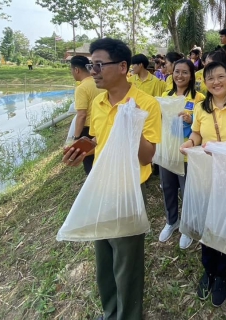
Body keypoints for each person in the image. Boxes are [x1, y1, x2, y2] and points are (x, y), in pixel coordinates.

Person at [62, 38, 161, 320]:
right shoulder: (98, 101)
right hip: (101, 187)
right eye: (90, 64)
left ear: (122, 67)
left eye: (98, 64)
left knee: (126, 264)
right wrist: (83, 149)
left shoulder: (146, 105)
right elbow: (100, 140)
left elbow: (146, 157)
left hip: (128, 191)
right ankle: (110, 312)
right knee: (104, 259)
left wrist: (132, 126)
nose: (92, 70)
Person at [180, 61, 226, 307]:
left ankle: (222, 273)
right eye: (210, 79)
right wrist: (190, 143)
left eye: (221, 76)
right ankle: (208, 270)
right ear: (204, 83)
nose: (216, 82)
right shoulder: (200, 108)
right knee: (209, 223)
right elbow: (196, 135)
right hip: (207, 174)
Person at [158, 59, 205, 249]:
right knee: (167, 187)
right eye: (177, 71)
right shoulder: (165, 95)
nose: (180, 76)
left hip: (186, 152)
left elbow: (202, 124)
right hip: (167, 151)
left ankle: (188, 227)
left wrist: (190, 118)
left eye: (185, 72)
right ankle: (172, 221)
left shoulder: (199, 98)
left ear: (191, 75)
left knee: (187, 191)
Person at [69, 55, 104, 174]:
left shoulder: (82, 88)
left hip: (88, 131)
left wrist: (76, 137)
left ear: (76, 70)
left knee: (90, 164)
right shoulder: (100, 82)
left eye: (71, 70)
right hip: (103, 126)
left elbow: (81, 115)